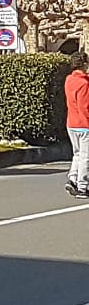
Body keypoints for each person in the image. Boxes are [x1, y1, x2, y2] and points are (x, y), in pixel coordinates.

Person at [67, 53, 89, 197]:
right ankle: (83, 186)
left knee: (77, 154)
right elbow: (85, 106)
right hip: (84, 124)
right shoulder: (85, 84)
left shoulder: (69, 80)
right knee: (86, 156)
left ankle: (72, 178)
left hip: (71, 122)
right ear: (83, 64)